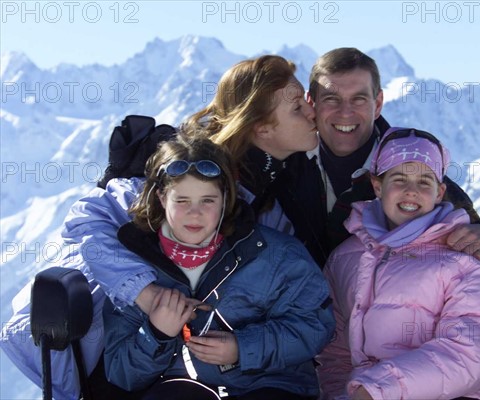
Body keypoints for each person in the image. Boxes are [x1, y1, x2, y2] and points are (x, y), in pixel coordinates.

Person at [0, 55, 322, 399]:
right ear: (262, 127)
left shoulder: (272, 200)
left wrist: (243, 346)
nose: (312, 113)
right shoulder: (184, 169)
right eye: (298, 110)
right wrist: (146, 294)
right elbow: (88, 219)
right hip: (119, 355)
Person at [103, 131, 334, 398]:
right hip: (181, 388)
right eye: (182, 200)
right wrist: (156, 334)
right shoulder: (136, 270)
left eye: (208, 200)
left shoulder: (275, 255)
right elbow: (121, 372)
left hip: (268, 386)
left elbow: (315, 326)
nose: (195, 213)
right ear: (162, 198)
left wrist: (241, 347)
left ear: (226, 198)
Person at [290, 47, 480, 294]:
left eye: (358, 99)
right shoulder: (288, 166)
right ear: (312, 103)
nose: (345, 112)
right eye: (331, 99)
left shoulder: (415, 174)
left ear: (378, 103)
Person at [316, 127, 480, 399]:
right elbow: (334, 352)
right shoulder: (344, 259)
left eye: (425, 182)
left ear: (439, 192)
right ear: (377, 186)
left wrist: (377, 391)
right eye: (399, 179)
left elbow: (473, 350)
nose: (411, 191)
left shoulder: (463, 257)